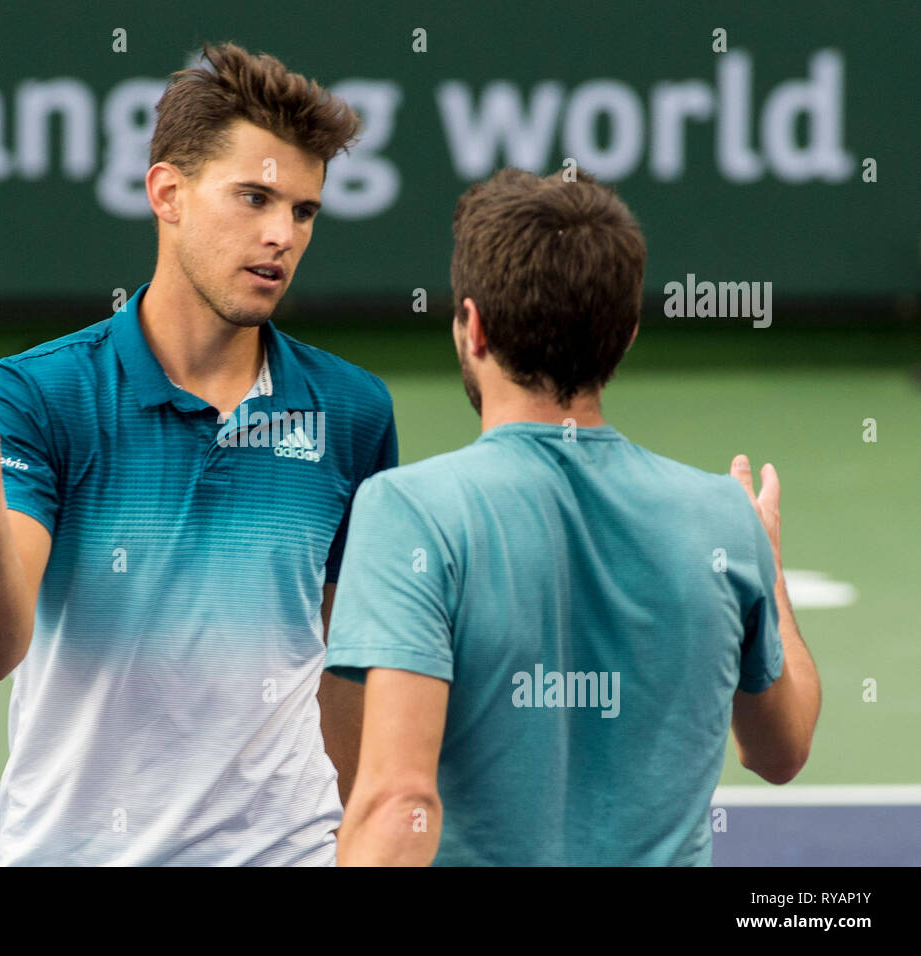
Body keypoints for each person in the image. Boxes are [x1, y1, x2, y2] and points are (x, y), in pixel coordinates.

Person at [0, 42, 397, 865]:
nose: (280, 235)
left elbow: (349, 668)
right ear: (167, 192)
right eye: (254, 197)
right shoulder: (40, 397)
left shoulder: (352, 413)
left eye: (303, 211)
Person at [323, 167, 822, 866]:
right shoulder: (720, 519)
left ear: (474, 327)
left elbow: (398, 804)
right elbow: (782, 751)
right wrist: (766, 571)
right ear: (625, 337)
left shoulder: (410, 513)